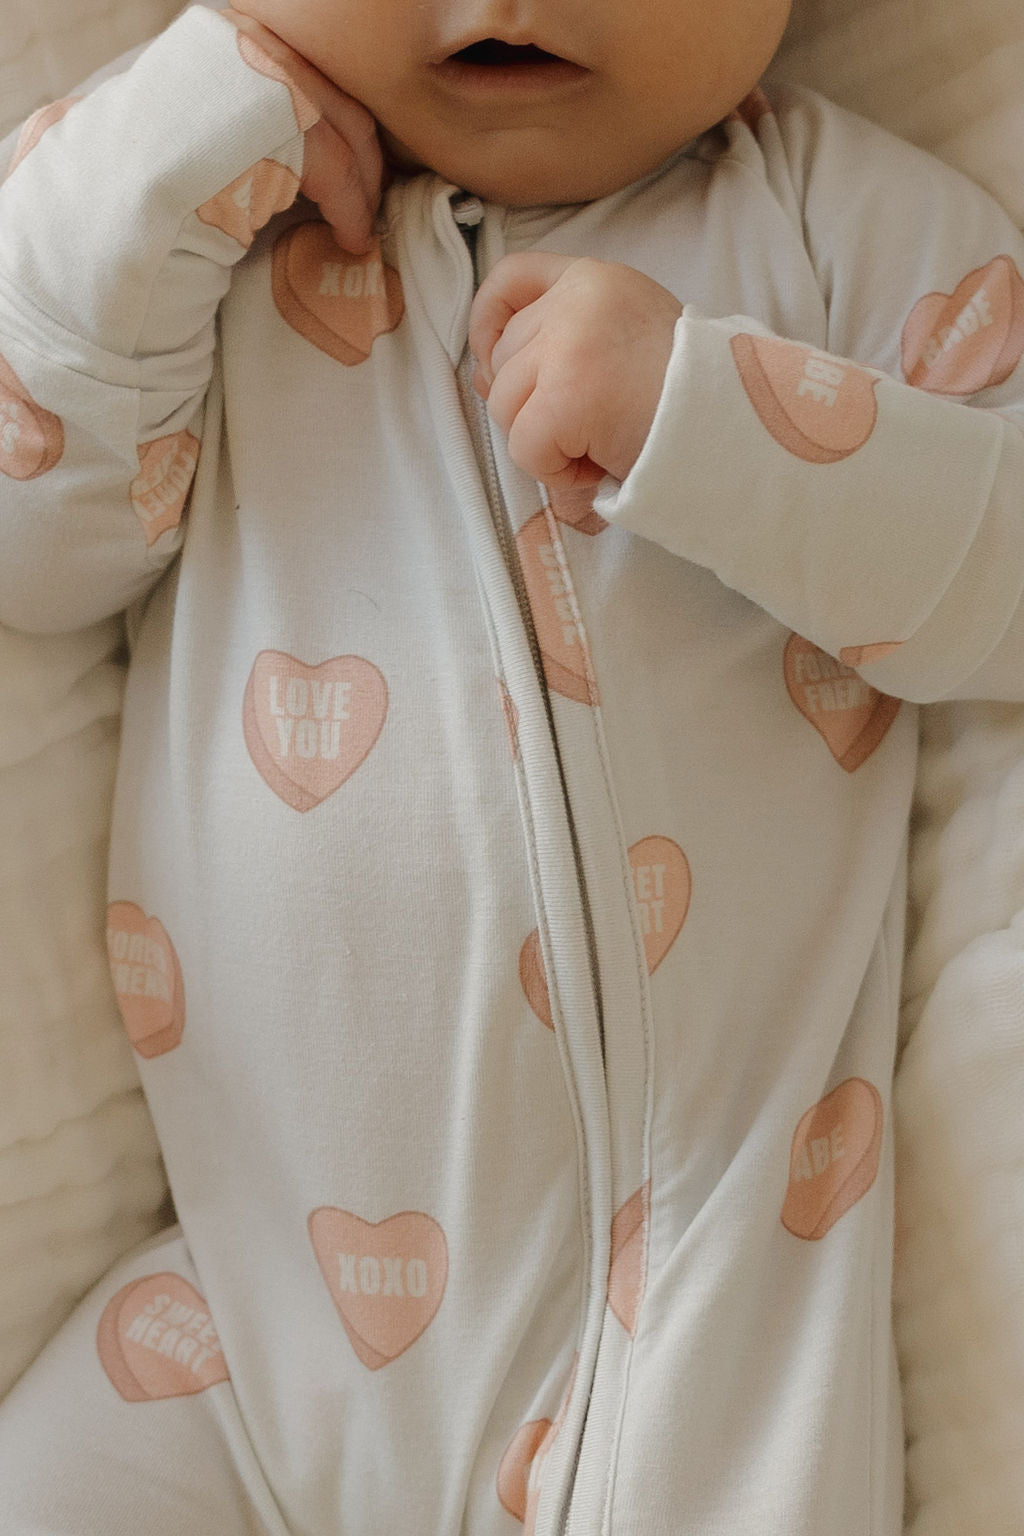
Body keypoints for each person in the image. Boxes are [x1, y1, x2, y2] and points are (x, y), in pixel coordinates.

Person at [0, 0, 1022, 1529]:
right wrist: (191, 120)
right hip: (248, 1324)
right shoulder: (201, 233)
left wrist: (711, 418)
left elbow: (1004, 580)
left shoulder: (839, 222)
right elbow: (35, 549)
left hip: (710, 1333)